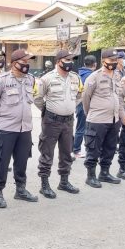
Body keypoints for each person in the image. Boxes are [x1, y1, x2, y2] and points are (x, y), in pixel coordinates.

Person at [0, 49, 39, 208]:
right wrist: (1, 121)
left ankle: (21, 189)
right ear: (14, 63)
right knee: (2, 162)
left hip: (25, 129)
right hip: (7, 129)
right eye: (24, 61)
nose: (27, 65)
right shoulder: (1, 81)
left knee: (22, 161)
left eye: (28, 62)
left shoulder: (31, 79)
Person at [34, 49, 81, 198]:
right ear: (58, 61)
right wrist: (49, 111)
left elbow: (79, 95)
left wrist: (69, 107)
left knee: (66, 152)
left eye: (71, 59)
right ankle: (44, 184)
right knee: (47, 152)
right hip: (52, 121)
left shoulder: (75, 78)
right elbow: (38, 98)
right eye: (67, 59)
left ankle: (64, 181)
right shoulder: (46, 78)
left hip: (68, 121)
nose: (70, 62)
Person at [82, 49, 122, 188]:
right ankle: (90, 176)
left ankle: (104, 173)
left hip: (114, 119)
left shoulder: (117, 75)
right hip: (97, 119)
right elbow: (85, 97)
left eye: (115, 60)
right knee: (93, 149)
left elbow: (119, 95)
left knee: (110, 147)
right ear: (103, 61)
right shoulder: (94, 77)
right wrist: (90, 113)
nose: (114, 63)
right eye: (111, 60)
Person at [73, 55, 97, 159]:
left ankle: (79, 148)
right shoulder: (92, 76)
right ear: (95, 64)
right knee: (83, 128)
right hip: (87, 104)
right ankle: (76, 149)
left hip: (78, 103)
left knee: (81, 127)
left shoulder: (78, 74)